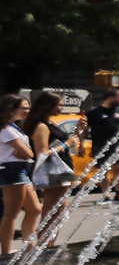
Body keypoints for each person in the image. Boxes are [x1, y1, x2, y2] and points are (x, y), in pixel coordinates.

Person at [25, 92, 76, 227]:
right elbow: (42, 153)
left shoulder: (50, 122)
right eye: (59, 105)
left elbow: (65, 140)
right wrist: (66, 145)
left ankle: (50, 245)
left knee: (59, 213)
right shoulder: (41, 126)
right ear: (48, 106)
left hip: (61, 169)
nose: (62, 108)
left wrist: (79, 130)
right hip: (52, 171)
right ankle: (43, 245)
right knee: (50, 213)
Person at [0, 95, 41, 258]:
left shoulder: (13, 127)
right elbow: (29, 153)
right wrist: (26, 153)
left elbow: (26, 153)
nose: (28, 111)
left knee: (35, 209)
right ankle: (6, 252)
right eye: (25, 108)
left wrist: (26, 154)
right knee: (11, 213)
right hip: (12, 170)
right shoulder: (5, 129)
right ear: (11, 109)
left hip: (20, 170)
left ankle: (29, 247)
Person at [85, 89, 119, 199]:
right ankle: (106, 194)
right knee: (103, 171)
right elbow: (84, 129)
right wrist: (81, 144)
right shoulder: (93, 113)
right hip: (99, 145)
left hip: (118, 145)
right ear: (111, 98)